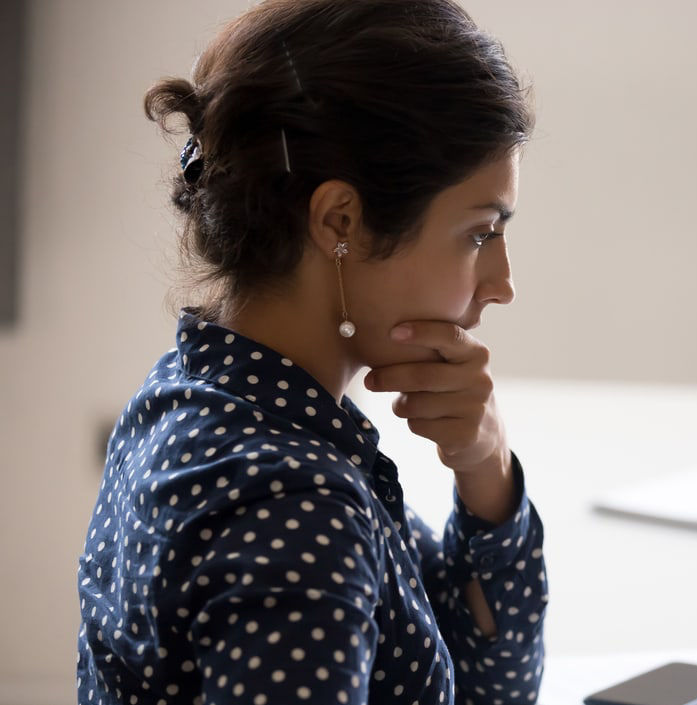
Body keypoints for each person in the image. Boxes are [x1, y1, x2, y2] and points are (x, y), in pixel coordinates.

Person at [74, 1, 546, 703]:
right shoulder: (296, 506)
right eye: (480, 233)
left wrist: (486, 467)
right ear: (340, 221)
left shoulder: (193, 391)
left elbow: (485, 681)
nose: (503, 285)